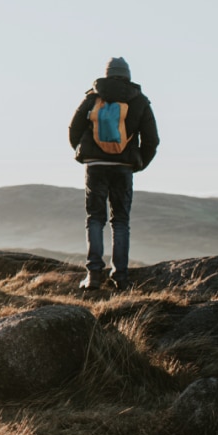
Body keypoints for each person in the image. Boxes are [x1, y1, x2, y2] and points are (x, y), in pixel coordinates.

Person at [68, 57, 160, 290]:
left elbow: (74, 129)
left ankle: (94, 276)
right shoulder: (139, 100)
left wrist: (84, 152)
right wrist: (138, 162)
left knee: (95, 218)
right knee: (120, 221)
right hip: (123, 167)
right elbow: (152, 139)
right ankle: (120, 276)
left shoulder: (92, 97)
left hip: (95, 165)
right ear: (127, 75)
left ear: (107, 75)